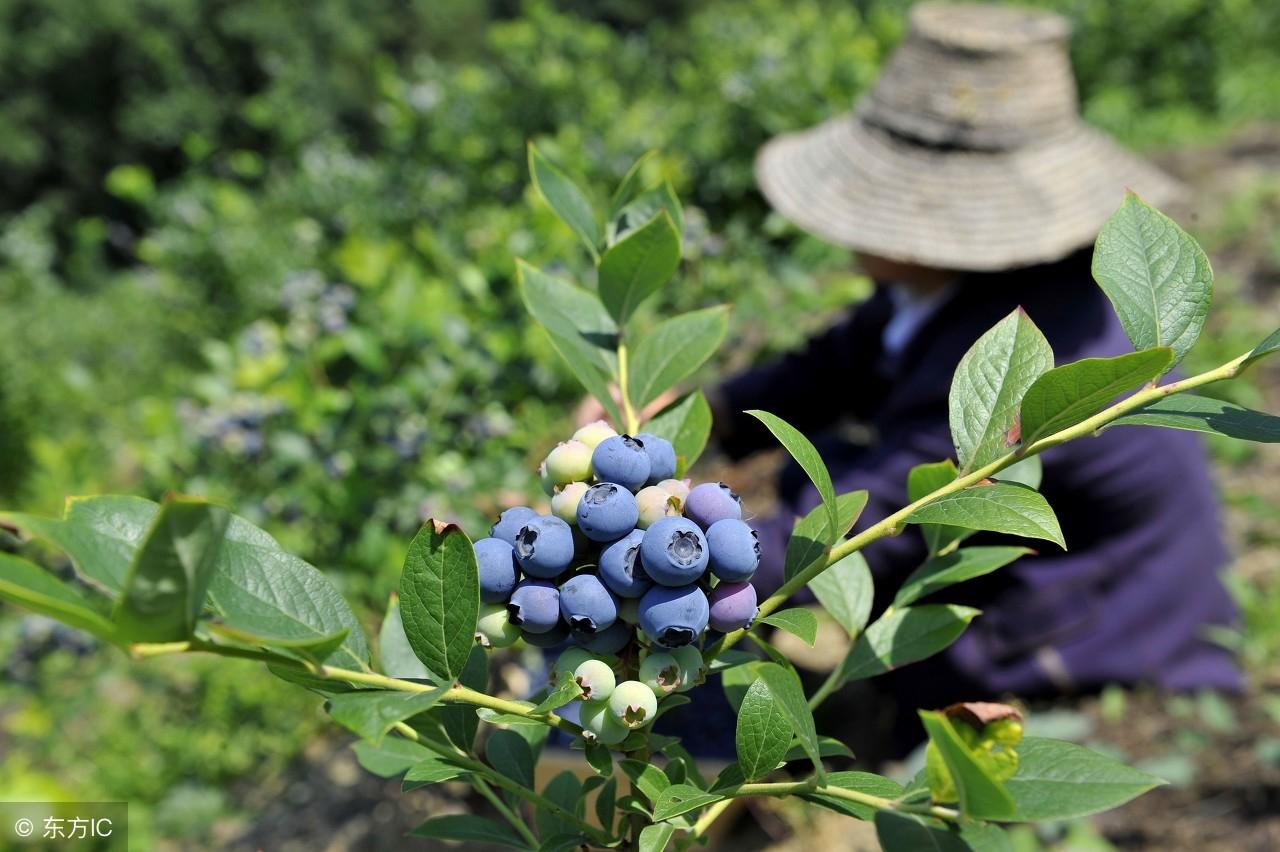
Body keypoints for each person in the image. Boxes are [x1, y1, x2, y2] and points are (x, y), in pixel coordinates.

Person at [712, 2, 1241, 728]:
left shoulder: (1012, 368)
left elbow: (848, 534)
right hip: (1075, 576)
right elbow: (833, 365)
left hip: (1098, 636)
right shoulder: (959, 286)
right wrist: (695, 417)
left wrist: (670, 559)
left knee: (848, 519)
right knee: (826, 456)